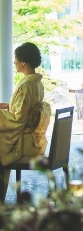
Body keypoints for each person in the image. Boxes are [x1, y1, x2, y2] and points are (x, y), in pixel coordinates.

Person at [0, 42, 51, 197]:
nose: (14, 62)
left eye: (16, 59)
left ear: (23, 62)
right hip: (36, 141)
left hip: (25, 143)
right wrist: (9, 105)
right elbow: (26, 110)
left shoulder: (27, 84)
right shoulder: (37, 83)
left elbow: (19, 120)